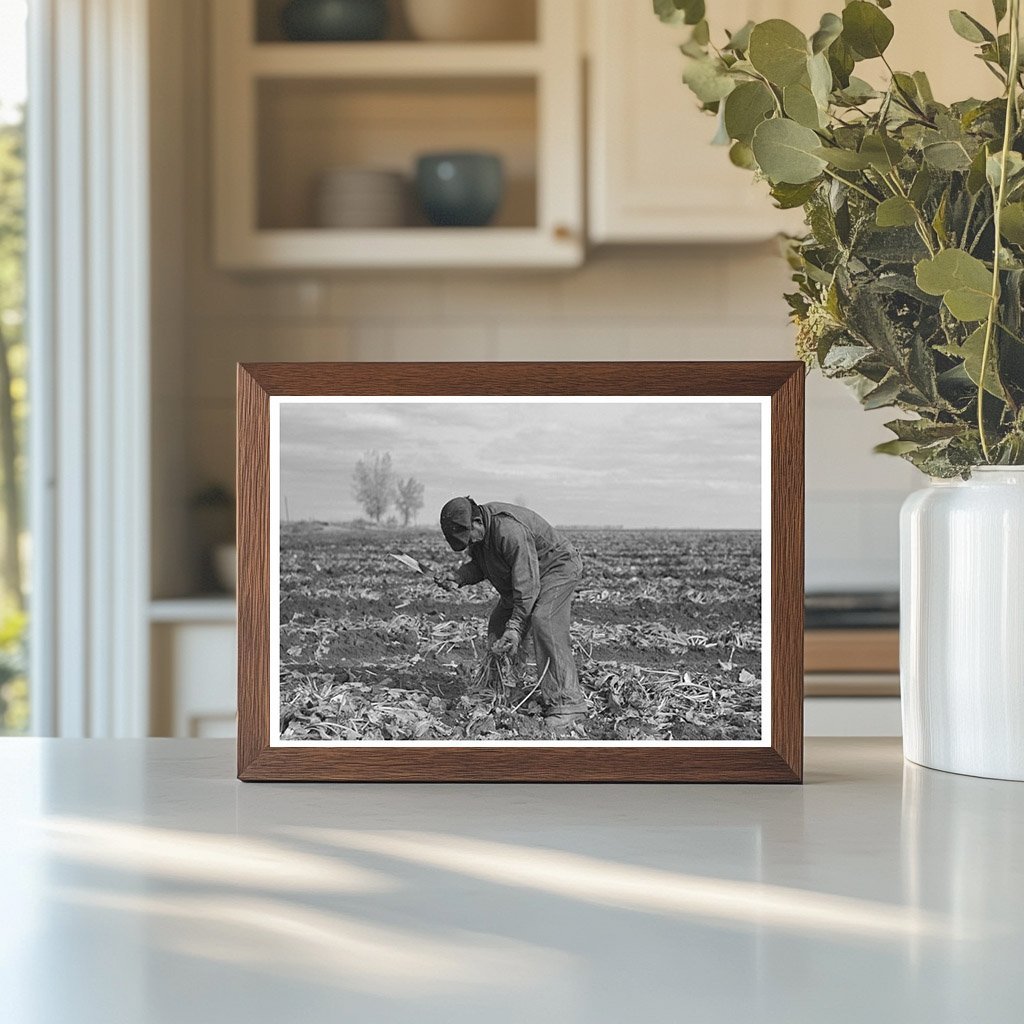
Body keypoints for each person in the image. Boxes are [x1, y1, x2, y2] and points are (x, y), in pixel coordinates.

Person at [435, 496, 587, 729]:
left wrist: (516, 627)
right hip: (528, 575)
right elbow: (481, 565)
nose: (469, 544)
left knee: (544, 619)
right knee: (498, 623)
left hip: (557, 566)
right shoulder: (480, 534)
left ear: (477, 522)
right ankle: (501, 689)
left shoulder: (508, 531)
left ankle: (568, 702)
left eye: (468, 538)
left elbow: (527, 584)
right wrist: (458, 577)